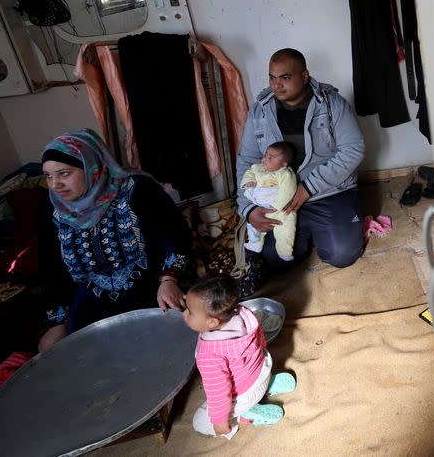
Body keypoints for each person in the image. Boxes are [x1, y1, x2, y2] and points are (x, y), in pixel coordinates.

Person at [38, 129, 192, 352]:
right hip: (91, 303)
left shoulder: (136, 189)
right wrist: (58, 323)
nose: (55, 185)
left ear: (90, 167)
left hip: (152, 290)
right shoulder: (50, 208)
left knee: (165, 350)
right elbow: (51, 268)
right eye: (48, 176)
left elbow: (176, 236)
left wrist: (169, 279)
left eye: (64, 173)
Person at [236, 48, 365, 272]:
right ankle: (308, 234)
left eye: (285, 77)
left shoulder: (331, 104)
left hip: (327, 191)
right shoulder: (260, 110)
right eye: (272, 77)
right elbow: (247, 159)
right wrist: (247, 208)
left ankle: (328, 227)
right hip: (278, 197)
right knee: (272, 262)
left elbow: (353, 149)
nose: (276, 85)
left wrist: (308, 187)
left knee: (342, 254)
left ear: (304, 76)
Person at [185, 277, 295, 438]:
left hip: (246, 393)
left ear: (212, 322)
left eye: (190, 312)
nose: (184, 314)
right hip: (262, 370)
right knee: (250, 373)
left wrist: (220, 422)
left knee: (199, 422)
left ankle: (246, 416)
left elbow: (219, 392)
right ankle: (268, 385)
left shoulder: (209, 354)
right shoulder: (244, 315)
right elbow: (261, 340)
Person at [240, 142, 297, 261]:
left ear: (283, 164)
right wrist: (248, 181)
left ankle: (284, 250)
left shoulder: (285, 174)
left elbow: (288, 190)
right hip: (258, 204)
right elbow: (249, 172)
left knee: (287, 224)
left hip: (278, 207)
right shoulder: (258, 168)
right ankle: (255, 243)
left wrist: (276, 206)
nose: (264, 160)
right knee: (252, 225)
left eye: (270, 158)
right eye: (265, 155)